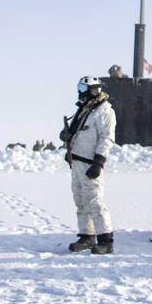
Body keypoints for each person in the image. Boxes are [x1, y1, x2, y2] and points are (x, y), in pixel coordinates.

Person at [62, 76, 117, 254]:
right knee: (80, 200)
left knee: (95, 201)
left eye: (83, 88)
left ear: (94, 90)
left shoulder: (104, 112)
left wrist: (98, 163)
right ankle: (86, 236)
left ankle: (106, 240)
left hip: (90, 163)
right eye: (79, 87)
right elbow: (78, 132)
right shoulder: (85, 109)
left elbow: (106, 139)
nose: (80, 91)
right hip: (77, 161)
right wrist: (66, 136)